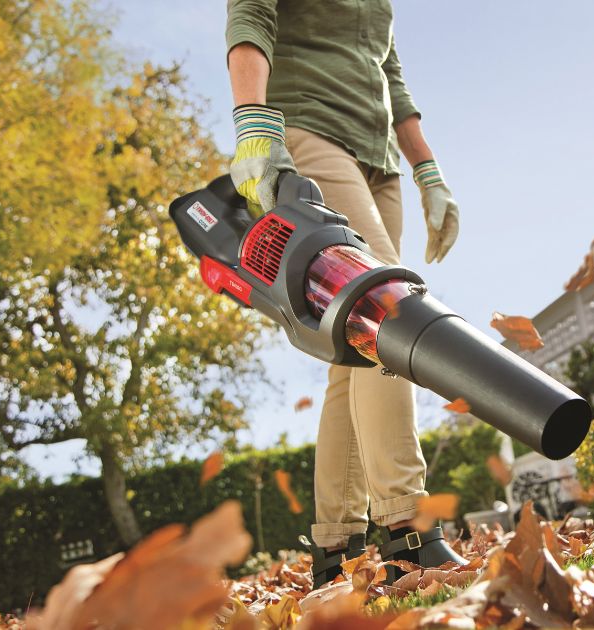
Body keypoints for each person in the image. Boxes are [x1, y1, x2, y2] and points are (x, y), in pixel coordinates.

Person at [224, 0, 465, 587]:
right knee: (389, 313)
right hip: (307, 131)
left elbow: (391, 75)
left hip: (378, 161)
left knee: (353, 344)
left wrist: (426, 171)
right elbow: (250, 19)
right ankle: (408, 528)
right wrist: (254, 124)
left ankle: (336, 546)